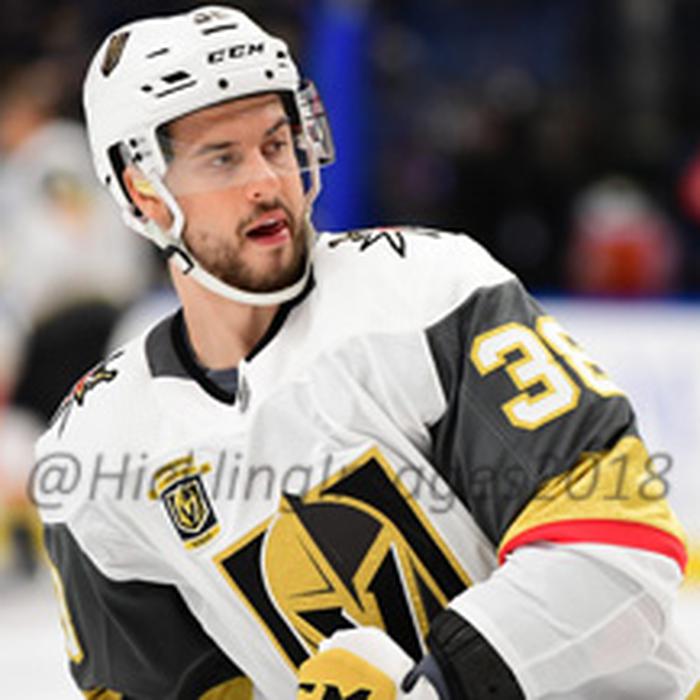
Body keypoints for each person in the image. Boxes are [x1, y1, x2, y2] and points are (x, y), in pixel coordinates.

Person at [35, 6, 697, 700]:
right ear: (142, 188)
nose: (268, 181)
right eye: (223, 158)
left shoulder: (427, 293)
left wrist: (436, 684)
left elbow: (620, 542)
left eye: (277, 143)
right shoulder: (93, 450)